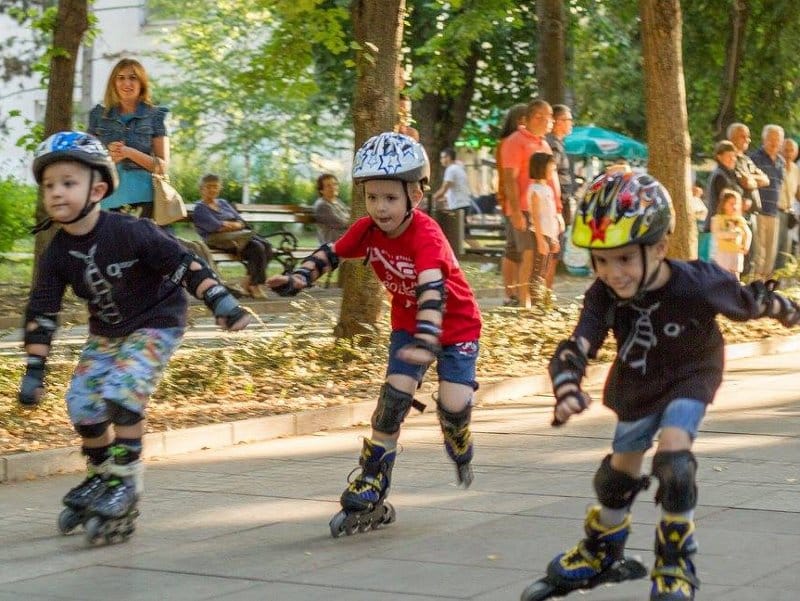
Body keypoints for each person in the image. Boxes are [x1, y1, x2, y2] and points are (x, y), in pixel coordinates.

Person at [527, 170, 800, 601]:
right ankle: (603, 551)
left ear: (658, 246)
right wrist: (567, 387)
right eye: (601, 260)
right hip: (638, 380)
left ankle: (675, 560)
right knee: (616, 477)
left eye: (624, 259)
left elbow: (750, 302)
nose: (612, 273)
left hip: (693, 371)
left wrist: (789, 310)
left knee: (674, 463)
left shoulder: (697, 282)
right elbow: (580, 342)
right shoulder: (603, 294)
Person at [18, 131, 250, 542]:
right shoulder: (56, 252)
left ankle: (126, 481)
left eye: (68, 183)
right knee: (84, 404)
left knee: (123, 394)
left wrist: (221, 302)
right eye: (49, 185)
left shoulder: (130, 231)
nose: (56, 193)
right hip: (108, 333)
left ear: (98, 188)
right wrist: (35, 369)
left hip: (157, 322)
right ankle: (102, 474)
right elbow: (42, 311)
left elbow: (184, 264)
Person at [266, 132, 481, 536]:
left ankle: (458, 432)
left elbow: (432, 292)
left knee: (453, 406)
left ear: (415, 196)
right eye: (372, 197)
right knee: (393, 399)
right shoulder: (368, 229)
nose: (380, 207)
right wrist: (296, 279)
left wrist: (428, 339)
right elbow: (330, 253)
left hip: (455, 326)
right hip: (406, 325)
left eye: (390, 198)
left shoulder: (428, 236)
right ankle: (371, 481)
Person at [87, 58, 169, 218]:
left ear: (142, 83)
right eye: (121, 78)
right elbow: (87, 161)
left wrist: (129, 152)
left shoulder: (155, 116)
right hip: (106, 198)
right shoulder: (98, 115)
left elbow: (162, 167)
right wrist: (108, 158)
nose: (127, 83)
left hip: (144, 200)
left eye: (133, 78)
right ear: (113, 83)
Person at [502, 99, 559, 308]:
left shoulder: (544, 143)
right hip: (525, 208)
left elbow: (552, 180)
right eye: (539, 117)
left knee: (541, 254)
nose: (545, 121)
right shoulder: (515, 141)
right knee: (527, 253)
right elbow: (510, 178)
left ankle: (536, 297)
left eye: (549, 117)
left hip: (545, 211)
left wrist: (558, 211)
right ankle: (524, 300)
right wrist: (516, 211)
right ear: (527, 119)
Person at [192, 174, 271, 299]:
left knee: (267, 245)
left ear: (220, 188)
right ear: (201, 189)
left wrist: (229, 224)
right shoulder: (200, 209)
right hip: (219, 241)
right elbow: (216, 227)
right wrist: (231, 225)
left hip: (238, 238)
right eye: (209, 187)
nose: (212, 190)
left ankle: (248, 283)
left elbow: (241, 222)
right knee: (257, 247)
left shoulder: (223, 203)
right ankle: (254, 285)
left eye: (215, 186)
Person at [496, 103, 528, 306]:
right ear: (519, 121)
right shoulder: (508, 143)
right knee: (512, 249)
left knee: (519, 249)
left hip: (519, 200)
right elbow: (506, 176)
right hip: (511, 201)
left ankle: (516, 291)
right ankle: (510, 293)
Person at [728, 122, 769, 276]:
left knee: (751, 254)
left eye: (748, 136)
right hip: (738, 214)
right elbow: (742, 181)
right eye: (743, 136)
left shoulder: (746, 160)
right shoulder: (730, 159)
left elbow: (765, 179)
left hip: (752, 213)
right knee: (739, 256)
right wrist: (752, 181)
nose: (748, 140)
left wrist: (751, 179)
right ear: (732, 138)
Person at [749, 124, 785, 279]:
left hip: (774, 212)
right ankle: (755, 286)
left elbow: (780, 185)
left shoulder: (781, 162)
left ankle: (765, 288)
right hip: (759, 211)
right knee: (759, 254)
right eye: (771, 139)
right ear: (764, 139)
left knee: (770, 254)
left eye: (777, 140)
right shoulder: (754, 158)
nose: (774, 143)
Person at [528, 152, 560, 300]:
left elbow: (550, 215)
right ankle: (535, 301)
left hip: (549, 234)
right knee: (538, 270)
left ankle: (541, 300)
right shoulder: (535, 190)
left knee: (545, 270)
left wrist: (554, 238)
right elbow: (535, 217)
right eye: (551, 169)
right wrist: (540, 240)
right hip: (539, 235)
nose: (552, 172)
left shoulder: (547, 189)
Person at [710, 188, 751, 280]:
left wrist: (746, 245)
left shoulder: (740, 220)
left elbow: (748, 233)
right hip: (722, 252)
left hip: (736, 252)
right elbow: (717, 234)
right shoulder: (717, 219)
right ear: (724, 204)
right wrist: (731, 234)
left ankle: (735, 292)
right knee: (721, 275)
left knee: (735, 276)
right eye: (731, 204)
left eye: (736, 204)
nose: (734, 207)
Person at [313, 173, 351, 244]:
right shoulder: (322, 205)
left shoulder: (338, 202)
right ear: (321, 190)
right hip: (332, 244)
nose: (333, 187)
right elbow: (342, 223)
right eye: (328, 186)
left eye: (335, 184)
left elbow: (349, 219)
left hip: (344, 239)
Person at [432, 147, 473, 212]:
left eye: (442, 157)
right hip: (464, 204)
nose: (441, 160)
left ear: (448, 158)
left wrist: (431, 199)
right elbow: (454, 190)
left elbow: (444, 189)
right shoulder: (459, 168)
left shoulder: (451, 170)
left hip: (458, 206)